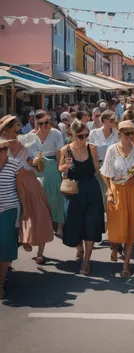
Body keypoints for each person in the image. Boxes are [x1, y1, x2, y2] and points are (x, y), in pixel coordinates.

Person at [0, 116, 53, 264]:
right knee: (13, 221)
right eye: (14, 128)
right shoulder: (7, 143)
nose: (17, 131)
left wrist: (35, 161)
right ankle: (8, 258)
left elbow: (34, 157)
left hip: (28, 180)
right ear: (6, 130)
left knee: (39, 214)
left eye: (18, 128)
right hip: (9, 183)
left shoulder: (22, 141)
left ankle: (39, 251)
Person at [101, 121, 134, 278]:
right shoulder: (111, 150)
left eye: (132, 133)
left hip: (133, 192)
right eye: (127, 133)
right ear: (119, 134)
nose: (130, 137)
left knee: (130, 230)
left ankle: (126, 265)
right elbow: (105, 172)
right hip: (117, 191)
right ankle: (114, 247)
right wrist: (108, 190)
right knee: (116, 228)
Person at [59, 120, 104, 275]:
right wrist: (64, 168)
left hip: (92, 190)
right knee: (73, 226)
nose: (84, 139)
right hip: (73, 192)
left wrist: (109, 188)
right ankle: (79, 247)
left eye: (86, 135)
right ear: (72, 135)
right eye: (81, 136)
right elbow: (61, 169)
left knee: (91, 225)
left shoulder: (91, 148)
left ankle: (86, 260)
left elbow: (97, 170)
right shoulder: (65, 150)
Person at [31, 110, 65, 237]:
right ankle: (47, 223)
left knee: (57, 197)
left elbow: (60, 153)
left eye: (47, 122)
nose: (45, 126)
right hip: (38, 168)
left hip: (53, 166)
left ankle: (60, 225)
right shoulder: (33, 135)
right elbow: (23, 146)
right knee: (42, 198)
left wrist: (60, 170)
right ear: (37, 123)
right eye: (41, 123)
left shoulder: (56, 133)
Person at [0, 137, 25, 299]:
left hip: (9, 210)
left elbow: (21, 189)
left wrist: (25, 211)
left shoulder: (15, 165)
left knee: (5, 247)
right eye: (0, 149)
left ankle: (1, 283)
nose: (3, 152)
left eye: (5, 149)